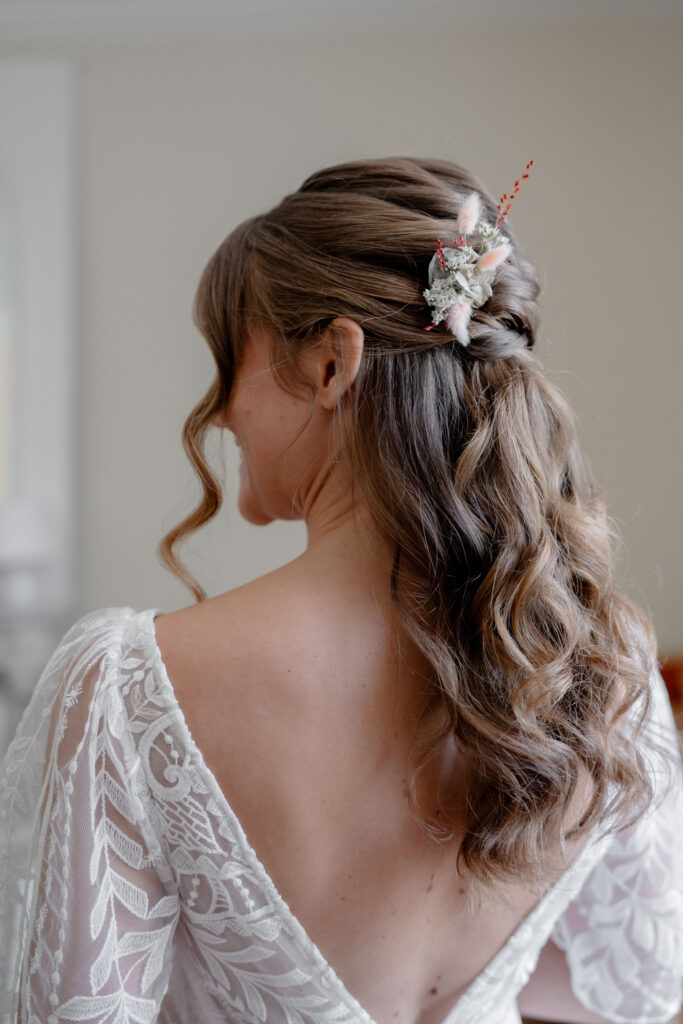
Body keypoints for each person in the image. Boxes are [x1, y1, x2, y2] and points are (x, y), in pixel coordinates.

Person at [0, 156, 681, 1024]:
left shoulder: (129, 686)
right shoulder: (602, 662)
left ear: (331, 364)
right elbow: (633, 991)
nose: (217, 413)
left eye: (227, 360)